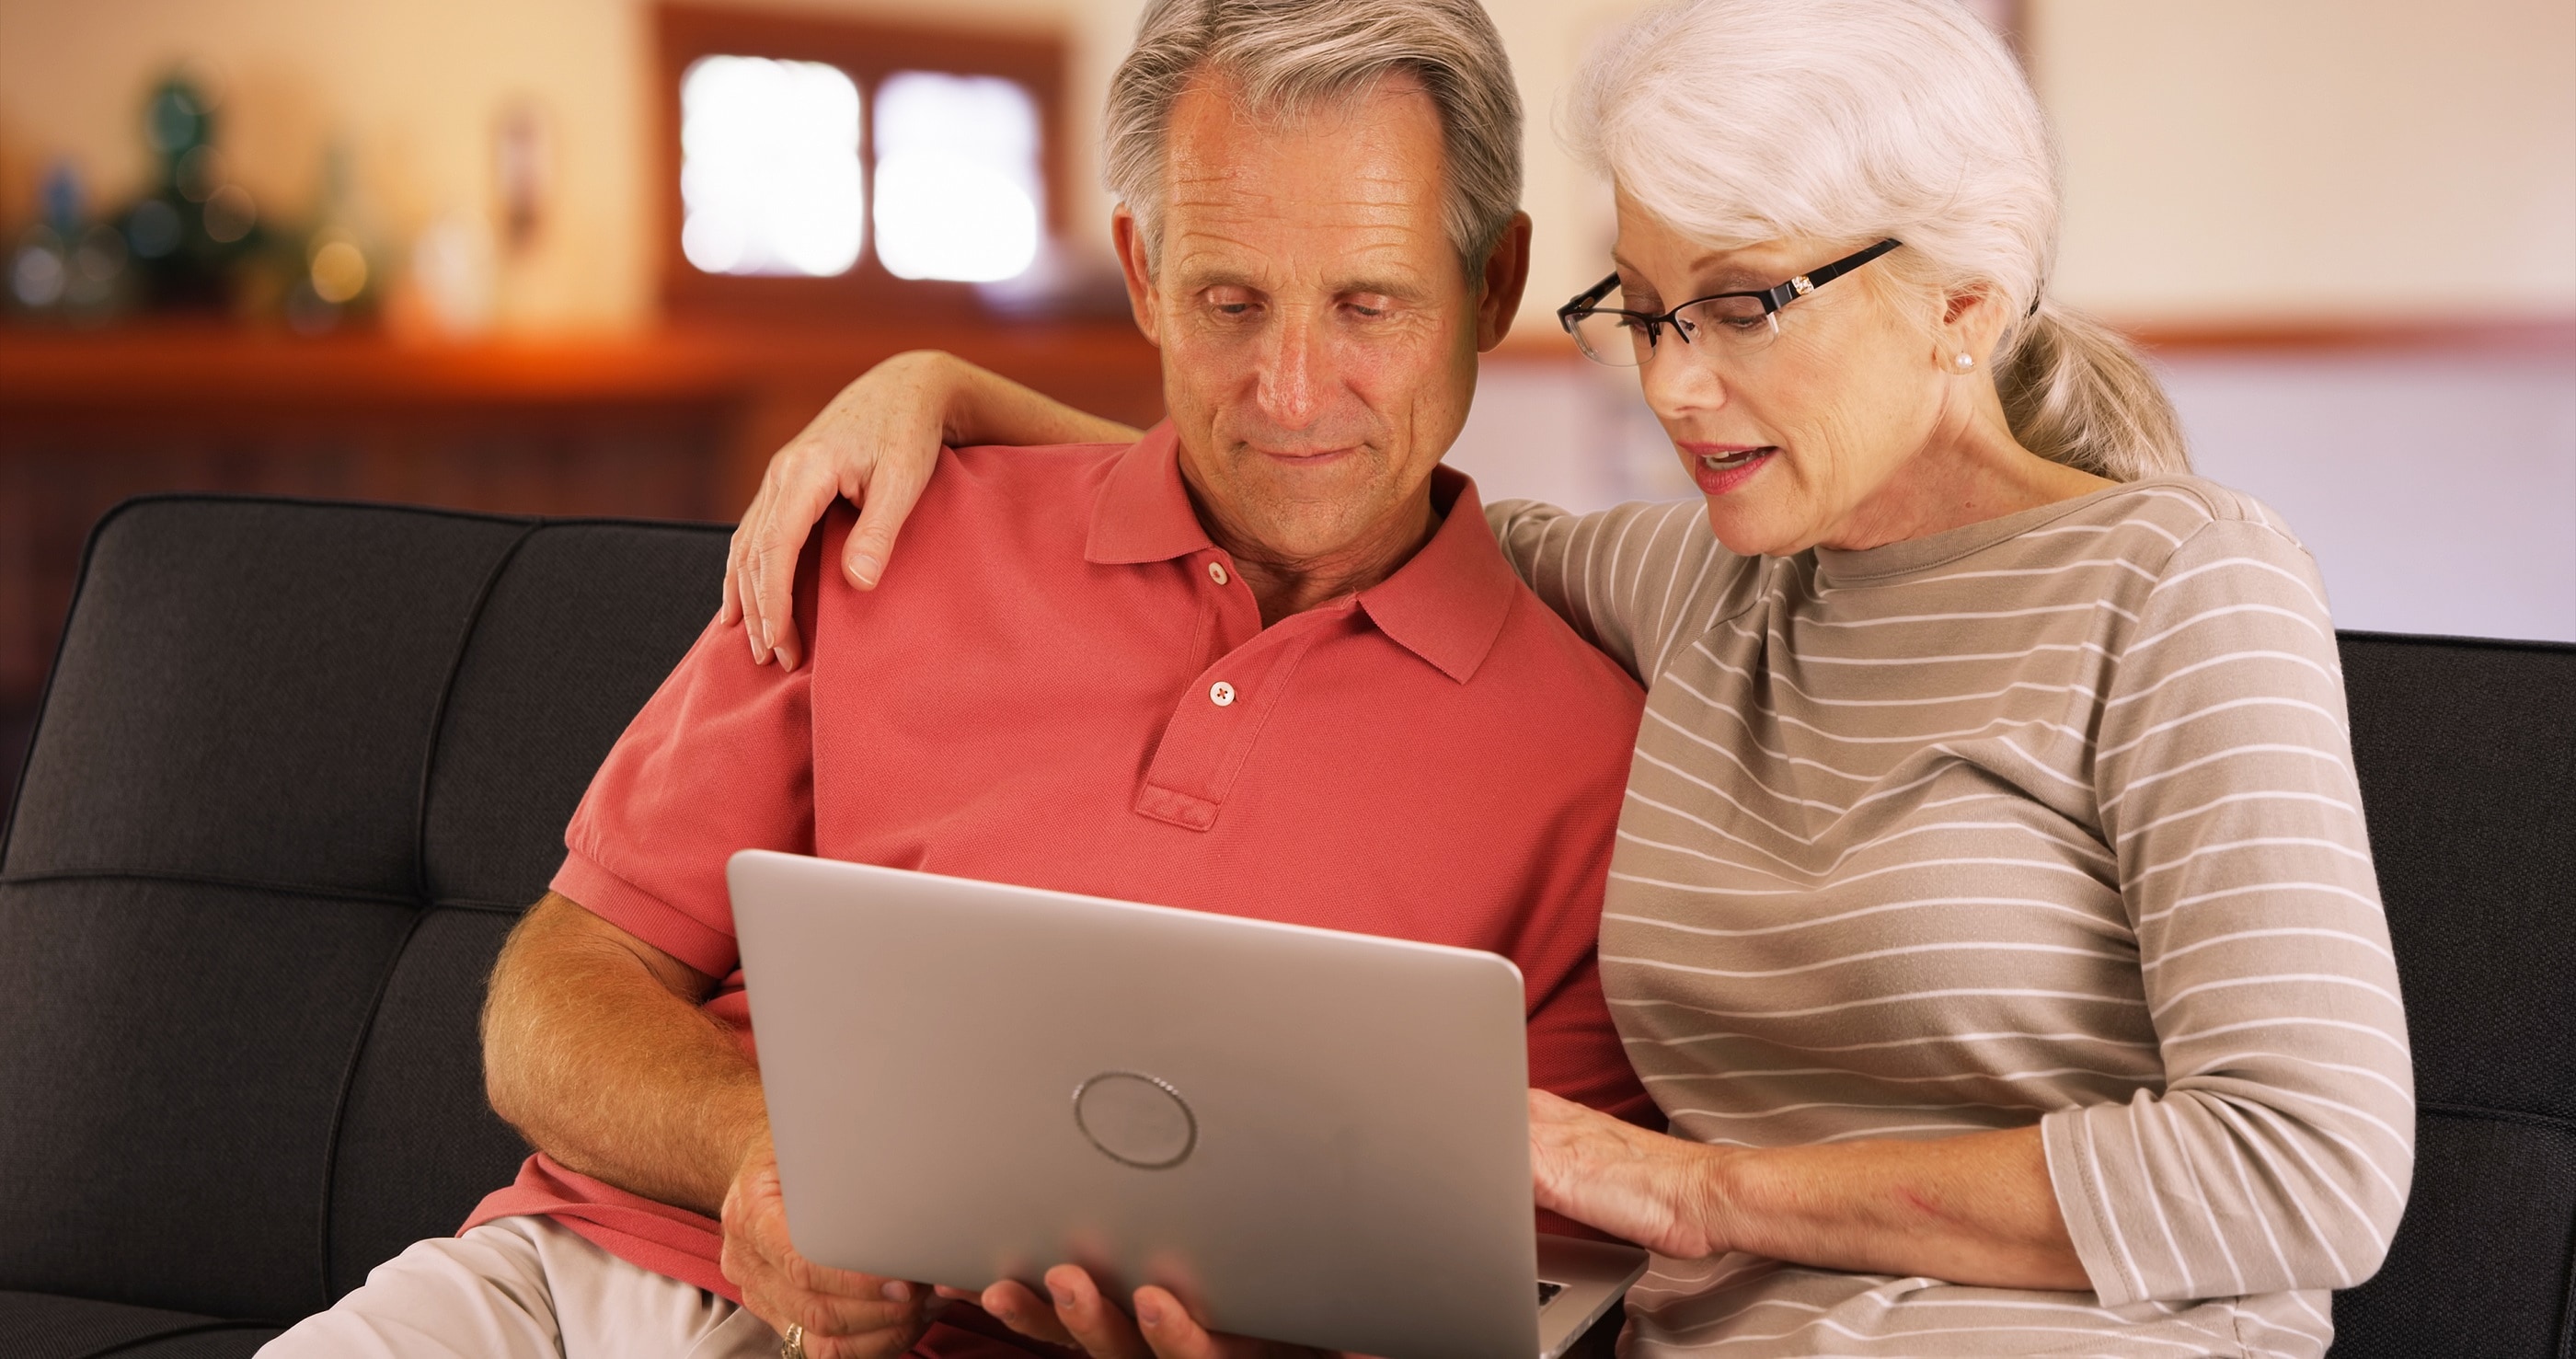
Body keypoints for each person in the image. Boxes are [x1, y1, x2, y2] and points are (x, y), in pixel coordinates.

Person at [719, 0, 2415, 1353]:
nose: (1676, 390)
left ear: (1962, 303)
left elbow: (2308, 1169)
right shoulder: (1701, 579)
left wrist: (1705, 1191)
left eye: (1745, 307)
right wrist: (947, 385)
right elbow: (1321, 462)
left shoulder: (2182, 584)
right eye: (1650, 308)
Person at [259, 3, 1664, 1357]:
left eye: (1368, 305)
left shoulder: (1595, 766)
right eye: (1229, 301)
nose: (1292, 392)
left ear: (1490, 285)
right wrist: (764, 1151)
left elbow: (1517, 1283)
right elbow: (550, 997)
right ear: (1140, 276)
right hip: (584, 1284)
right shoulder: (895, 532)